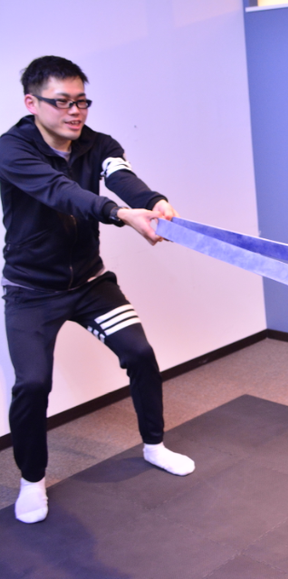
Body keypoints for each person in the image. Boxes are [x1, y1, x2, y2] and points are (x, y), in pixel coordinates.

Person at [0, 56, 195, 525]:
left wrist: (152, 202)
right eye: (62, 102)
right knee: (32, 384)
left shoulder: (98, 144)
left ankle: (154, 445)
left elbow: (121, 176)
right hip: (30, 292)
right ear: (32, 103)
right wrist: (119, 214)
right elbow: (60, 191)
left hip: (90, 283)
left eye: (81, 101)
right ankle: (32, 479)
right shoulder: (11, 150)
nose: (75, 112)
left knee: (140, 354)